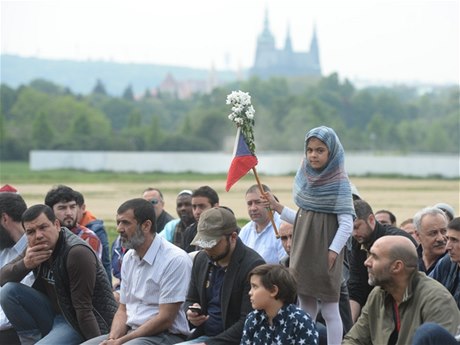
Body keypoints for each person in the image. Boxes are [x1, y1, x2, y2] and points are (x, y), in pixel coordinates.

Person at [0, 204, 117, 344]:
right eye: (31, 232)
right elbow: (2, 279)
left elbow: (83, 309)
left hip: (77, 322)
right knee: (9, 291)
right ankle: (31, 341)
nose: (38, 236)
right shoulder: (35, 248)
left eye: (43, 227)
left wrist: (97, 342)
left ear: (56, 225)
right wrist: (25, 264)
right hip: (55, 313)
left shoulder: (76, 252)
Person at [82, 198, 192, 345]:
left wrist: (122, 341)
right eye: (118, 222)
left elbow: (165, 319)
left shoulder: (174, 259)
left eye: (126, 223)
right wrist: (113, 339)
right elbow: (123, 309)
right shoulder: (129, 257)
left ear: (146, 225)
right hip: (132, 333)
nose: (119, 229)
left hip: (164, 335)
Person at [290, 126, 355, 345]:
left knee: (329, 308)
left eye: (320, 150)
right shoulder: (306, 179)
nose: (313, 155)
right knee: (305, 305)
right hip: (303, 251)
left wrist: (332, 252)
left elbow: (346, 224)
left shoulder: (339, 183)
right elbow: (302, 219)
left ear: (332, 153)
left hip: (326, 254)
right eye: (309, 150)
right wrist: (277, 208)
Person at [343, 236, 460, 345]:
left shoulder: (437, 299)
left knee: (428, 332)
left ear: (397, 267)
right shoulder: (378, 294)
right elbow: (354, 339)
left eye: (375, 257)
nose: (367, 262)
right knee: (323, 334)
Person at [176, 207, 265, 345]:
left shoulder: (252, 266)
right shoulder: (201, 259)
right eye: (203, 243)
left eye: (213, 244)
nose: (207, 249)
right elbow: (190, 299)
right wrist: (191, 313)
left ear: (233, 237)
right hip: (203, 336)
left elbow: (248, 321)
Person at [348, 199, 417, 323]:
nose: (353, 233)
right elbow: (355, 288)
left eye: (356, 227)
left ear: (371, 220)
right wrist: (348, 327)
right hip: (369, 310)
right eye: (350, 228)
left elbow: (407, 285)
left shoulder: (397, 240)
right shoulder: (357, 242)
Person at [240, 264, 318, 345]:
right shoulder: (252, 319)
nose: (250, 292)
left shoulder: (301, 321)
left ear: (273, 290)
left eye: (255, 286)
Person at [0, 191, 34, 345]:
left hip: (16, 331)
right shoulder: (4, 249)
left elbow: (17, 307)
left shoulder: (34, 250)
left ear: (4, 218)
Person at [44, 185, 102, 258]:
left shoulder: (87, 237)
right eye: (62, 208)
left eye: (72, 207)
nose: (69, 213)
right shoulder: (42, 235)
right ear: (51, 211)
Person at [239, 184, 285, 264]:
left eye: (258, 202)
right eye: (249, 203)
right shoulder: (245, 231)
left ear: (269, 201)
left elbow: (285, 265)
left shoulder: (282, 228)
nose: (253, 208)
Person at [75, 190, 112, 285]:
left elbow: (105, 262)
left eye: (73, 208)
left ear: (82, 208)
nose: (69, 213)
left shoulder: (96, 230)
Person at [429, 216, 460, 308]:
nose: (447, 247)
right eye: (448, 239)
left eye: (454, 240)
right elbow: (425, 289)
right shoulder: (447, 263)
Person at [182, 186, 219, 253]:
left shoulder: (227, 230)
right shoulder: (189, 231)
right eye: (194, 207)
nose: (197, 212)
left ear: (215, 206)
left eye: (202, 206)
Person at [413, 206, 448, 274]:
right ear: (418, 235)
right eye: (433, 233)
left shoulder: (455, 263)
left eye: (444, 231)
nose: (440, 238)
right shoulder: (410, 261)